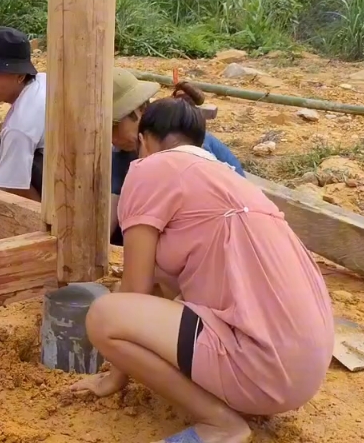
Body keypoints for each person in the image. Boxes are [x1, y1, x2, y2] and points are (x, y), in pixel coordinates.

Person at [70, 95, 334, 443]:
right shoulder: (228, 179)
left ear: (144, 141)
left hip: (261, 370)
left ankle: (220, 423)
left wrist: (113, 378)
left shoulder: (150, 168)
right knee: (162, 288)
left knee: (104, 315)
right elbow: (157, 285)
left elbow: (135, 287)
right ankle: (232, 394)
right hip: (305, 369)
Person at [109, 68, 245, 245]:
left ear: (140, 111)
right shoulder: (123, 153)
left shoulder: (187, 152)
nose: (111, 137)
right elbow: (111, 211)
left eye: (114, 127)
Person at [0, 26, 45, 201]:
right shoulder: (42, 81)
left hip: (84, 183)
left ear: (19, 76)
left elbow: (13, 190)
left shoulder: (20, 126)